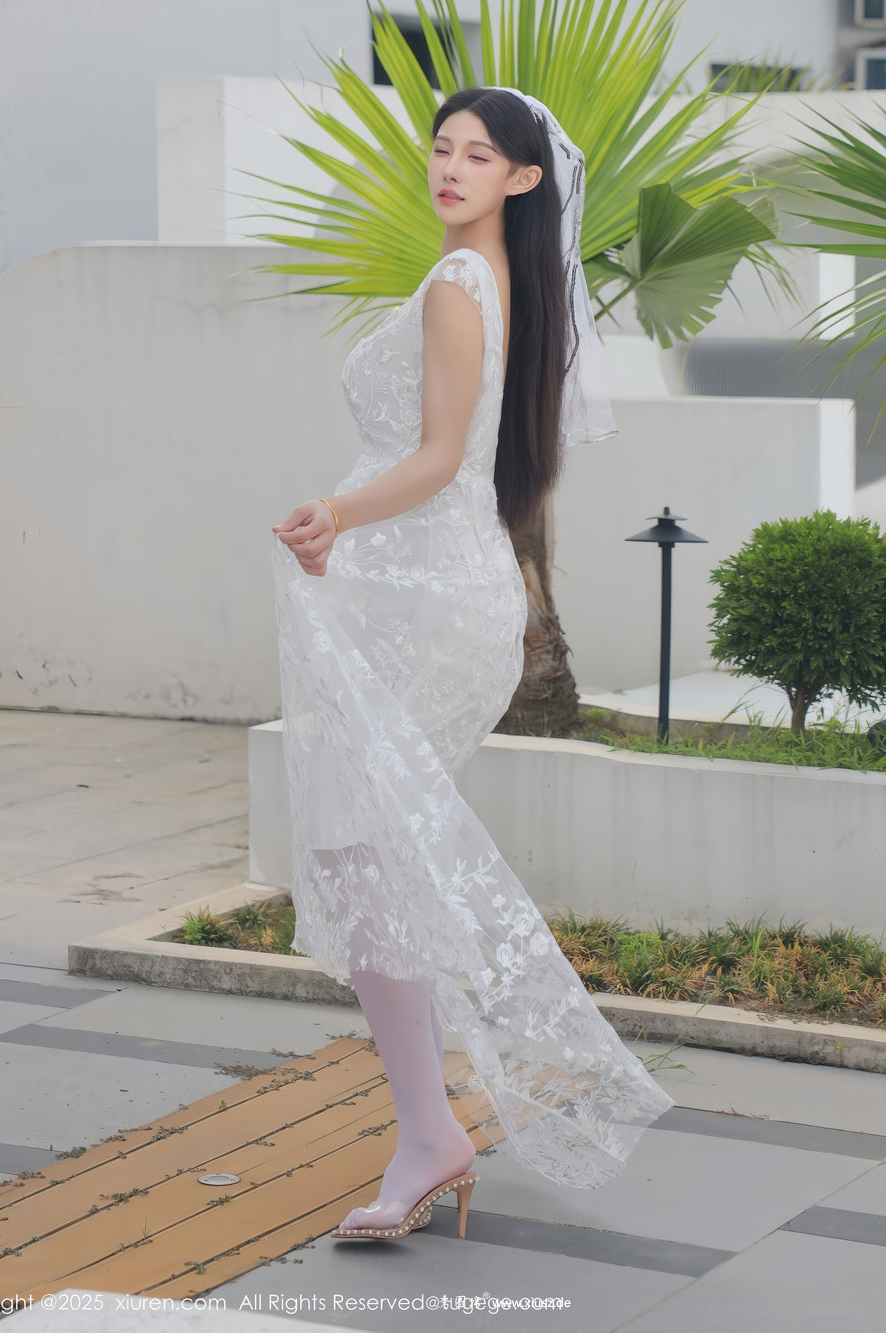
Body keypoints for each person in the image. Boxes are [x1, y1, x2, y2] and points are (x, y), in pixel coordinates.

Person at [270, 85, 675, 1244]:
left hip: (426, 598)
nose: (449, 168)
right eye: (441, 148)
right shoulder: (507, 284)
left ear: (525, 178)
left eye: (478, 155)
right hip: (436, 593)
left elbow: (441, 459)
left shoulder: (460, 283)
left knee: (361, 850)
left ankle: (429, 1128)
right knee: (367, 851)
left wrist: (333, 511)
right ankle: (426, 1126)